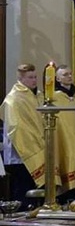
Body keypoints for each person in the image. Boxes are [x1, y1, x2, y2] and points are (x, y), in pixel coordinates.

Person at [0, 64, 44, 208]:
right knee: (22, 190)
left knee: (35, 189)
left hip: (37, 146)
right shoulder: (13, 99)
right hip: (20, 153)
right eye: (30, 77)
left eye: (35, 77)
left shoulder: (37, 95)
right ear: (21, 79)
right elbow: (16, 127)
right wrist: (31, 144)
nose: (34, 80)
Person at [53, 65, 75, 198]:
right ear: (58, 78)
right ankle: (67, 192)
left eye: (70, 74)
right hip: (63, 136)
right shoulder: (54, 96)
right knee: (67, 157)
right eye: (65, 74)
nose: (69, 76)